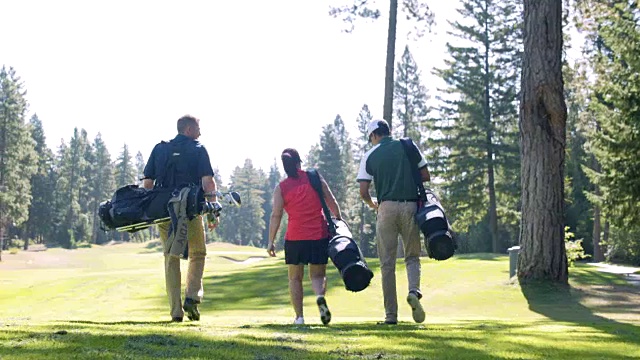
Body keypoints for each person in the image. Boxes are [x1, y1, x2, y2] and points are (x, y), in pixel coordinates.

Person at [142, 115, 218, 322]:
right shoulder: (198, 148)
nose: (200, 132)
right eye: (198, 128)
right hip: (189, 209)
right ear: (188, 129)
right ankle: (192, 297)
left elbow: (148, 183)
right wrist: (213, 211)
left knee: (171, 256)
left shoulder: (160, 149)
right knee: (198, 252)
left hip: (164, 210)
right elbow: (208, 182)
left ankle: (176, 311)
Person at [356, 119, 430, 325]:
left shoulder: (370, 155)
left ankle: (391, 316)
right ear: (388, 131)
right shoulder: (407, 146)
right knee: (412, 257)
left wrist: (374, 205)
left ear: (373, 135)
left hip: (386, 208)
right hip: (410, 206)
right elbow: (425, 175)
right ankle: (414, 291)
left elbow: (363, 191)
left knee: (387, 264)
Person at [267, 148, 342, 325]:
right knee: (317, 275)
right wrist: (339, 218)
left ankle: (299, 318)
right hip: (318, 234)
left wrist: (271, 241)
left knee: (295, 278)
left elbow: (276, 215)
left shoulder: (282, 188)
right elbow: (331, 199)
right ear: (299, 162)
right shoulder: (314, 178)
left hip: (294, 238)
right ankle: (319, 297)